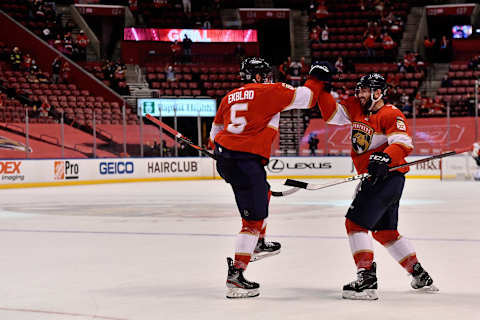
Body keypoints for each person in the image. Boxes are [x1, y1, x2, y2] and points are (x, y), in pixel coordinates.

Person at [310, 67, 438, 300]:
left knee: (355, 224)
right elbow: (330, 115)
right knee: (385, 232)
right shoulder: (357, 109)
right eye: (360, 90)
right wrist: (323, 88)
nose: (360, 94)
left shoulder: (391, 114)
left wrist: (386, 156)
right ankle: (419, 274)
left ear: (379, 92)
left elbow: (403, 143)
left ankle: (367, 279)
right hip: (379, 180)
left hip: (386, 178)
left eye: (366, 90)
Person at [209, 57, 331, 299]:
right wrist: (317, 77)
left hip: (227, 160)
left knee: (262, 191)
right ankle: (237, 274)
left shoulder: (228, 97)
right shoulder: (270, 91)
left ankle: (260, 242)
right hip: (245, 162)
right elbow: (308, 97)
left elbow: (215, 134)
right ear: (257, 77)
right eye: (264, 75)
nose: (268, 79)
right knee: (251, 223)